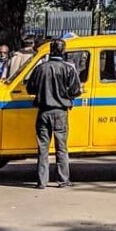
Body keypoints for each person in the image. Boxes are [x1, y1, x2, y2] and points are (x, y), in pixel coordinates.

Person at [26, 38, 82, 189]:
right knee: (61, 148)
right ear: (63, 51)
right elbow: (76, 91)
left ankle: (42, 181)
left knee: (43, 148)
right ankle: (63, 180)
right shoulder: (68, 69)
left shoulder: (40, 68)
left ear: (50, 50)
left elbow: (30, 88)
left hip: (43, 112)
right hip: (60, 112)